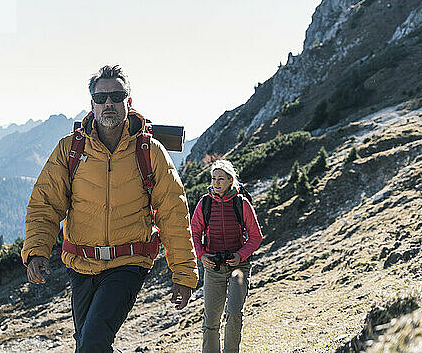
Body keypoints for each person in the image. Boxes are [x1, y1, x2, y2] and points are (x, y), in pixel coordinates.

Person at [21, 65, 198, 352]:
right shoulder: (70, 149)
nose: (108, 103)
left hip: (128, 264)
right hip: (80, 264)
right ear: (91, 104)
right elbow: (46, 203)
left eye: (116, 96)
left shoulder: (150, 151)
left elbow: (173, 214)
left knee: (92, 342)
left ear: (129, 101)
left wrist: (184, 273)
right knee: (87, 344)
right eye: (100, 97)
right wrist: (37, 250)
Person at [190, 160, 263, 353]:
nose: (216, 183)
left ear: (231, 180)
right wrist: (201, 255)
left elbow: (256, 236)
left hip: (239, 267)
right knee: (211, 321)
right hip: (213, 268)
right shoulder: (205, 203)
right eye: (214, 179)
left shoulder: (242, 203)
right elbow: (194, 234)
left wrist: (240, 256)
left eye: (221, 179)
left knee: (234, 314)